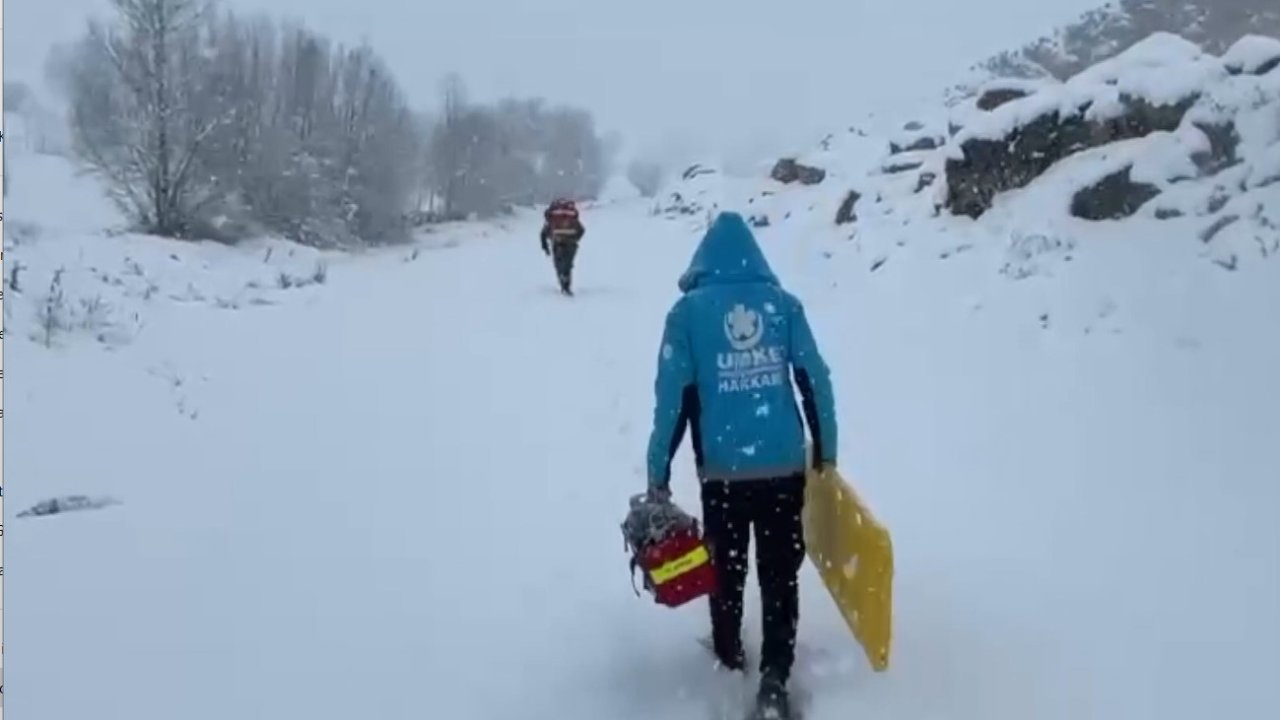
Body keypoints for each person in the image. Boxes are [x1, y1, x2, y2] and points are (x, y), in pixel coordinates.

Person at [644, 211, 837, 720]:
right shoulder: (782, 306)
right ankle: (775, 674)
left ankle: (730, 656)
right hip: (781, 468)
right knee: (779, 574)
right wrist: (827, 450)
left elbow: (672, 401)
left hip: (725, 474)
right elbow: (814, 379)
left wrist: (657, 471)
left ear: (703, 261)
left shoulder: (685, 315)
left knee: (725, 569)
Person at [540, 198, 586, 295]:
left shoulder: (552, 220)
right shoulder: (572, 218)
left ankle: (563, 283)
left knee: (558, 263)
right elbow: (581, 230)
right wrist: (575, 239)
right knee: (568, 265)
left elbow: (543, 234)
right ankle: (567, 285)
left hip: (557, 243)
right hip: (571, 244)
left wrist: (545, 247)